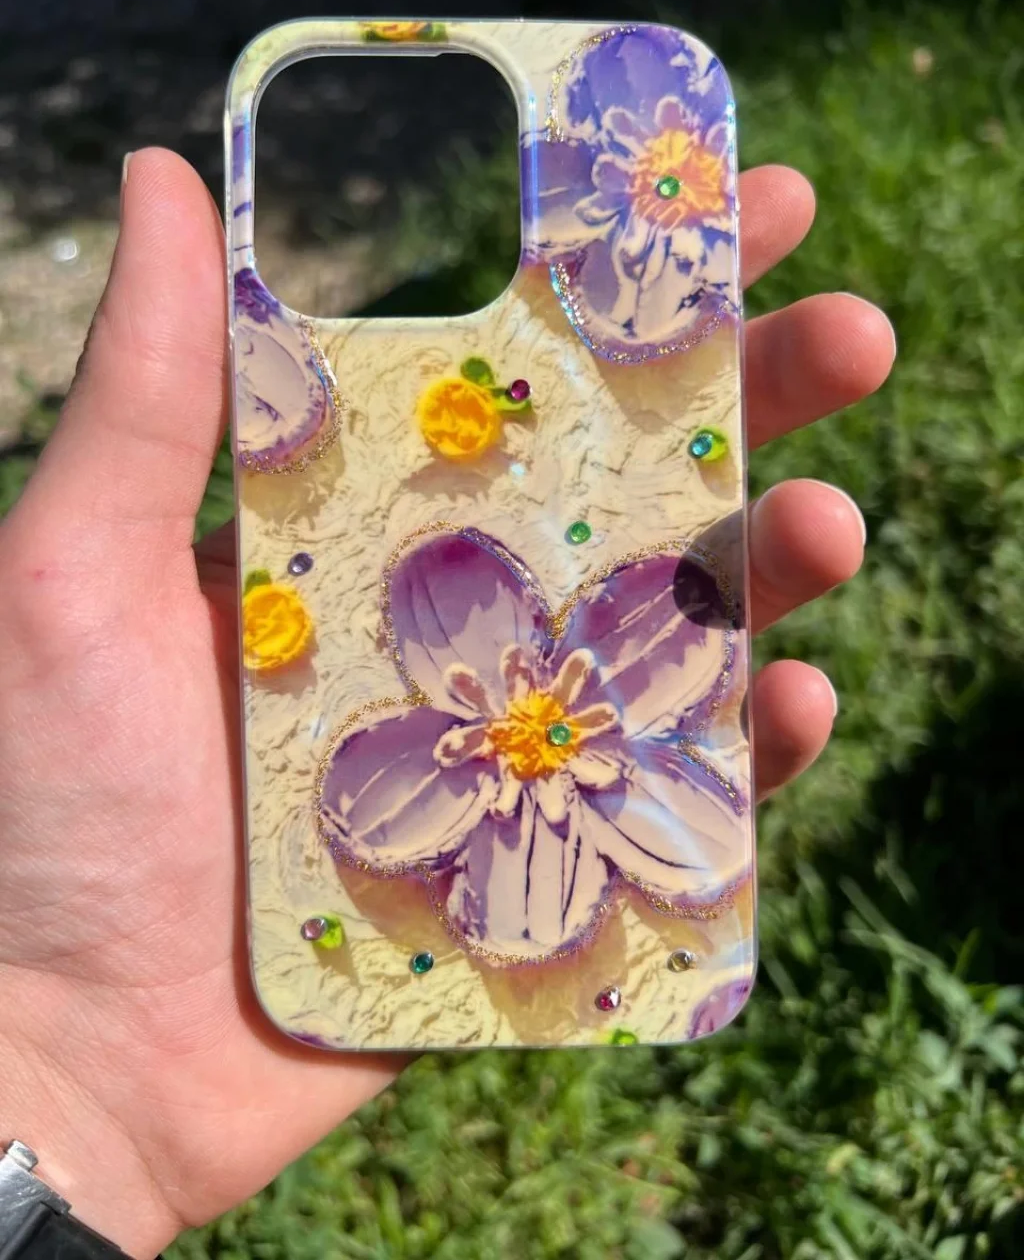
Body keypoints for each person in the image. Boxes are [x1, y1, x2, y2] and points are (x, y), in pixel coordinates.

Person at [0, 149, 895, 1258]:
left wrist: (55, 1090)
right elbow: (430, 603)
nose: (539, 737)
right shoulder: (437, 632)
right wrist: (58, 1080)